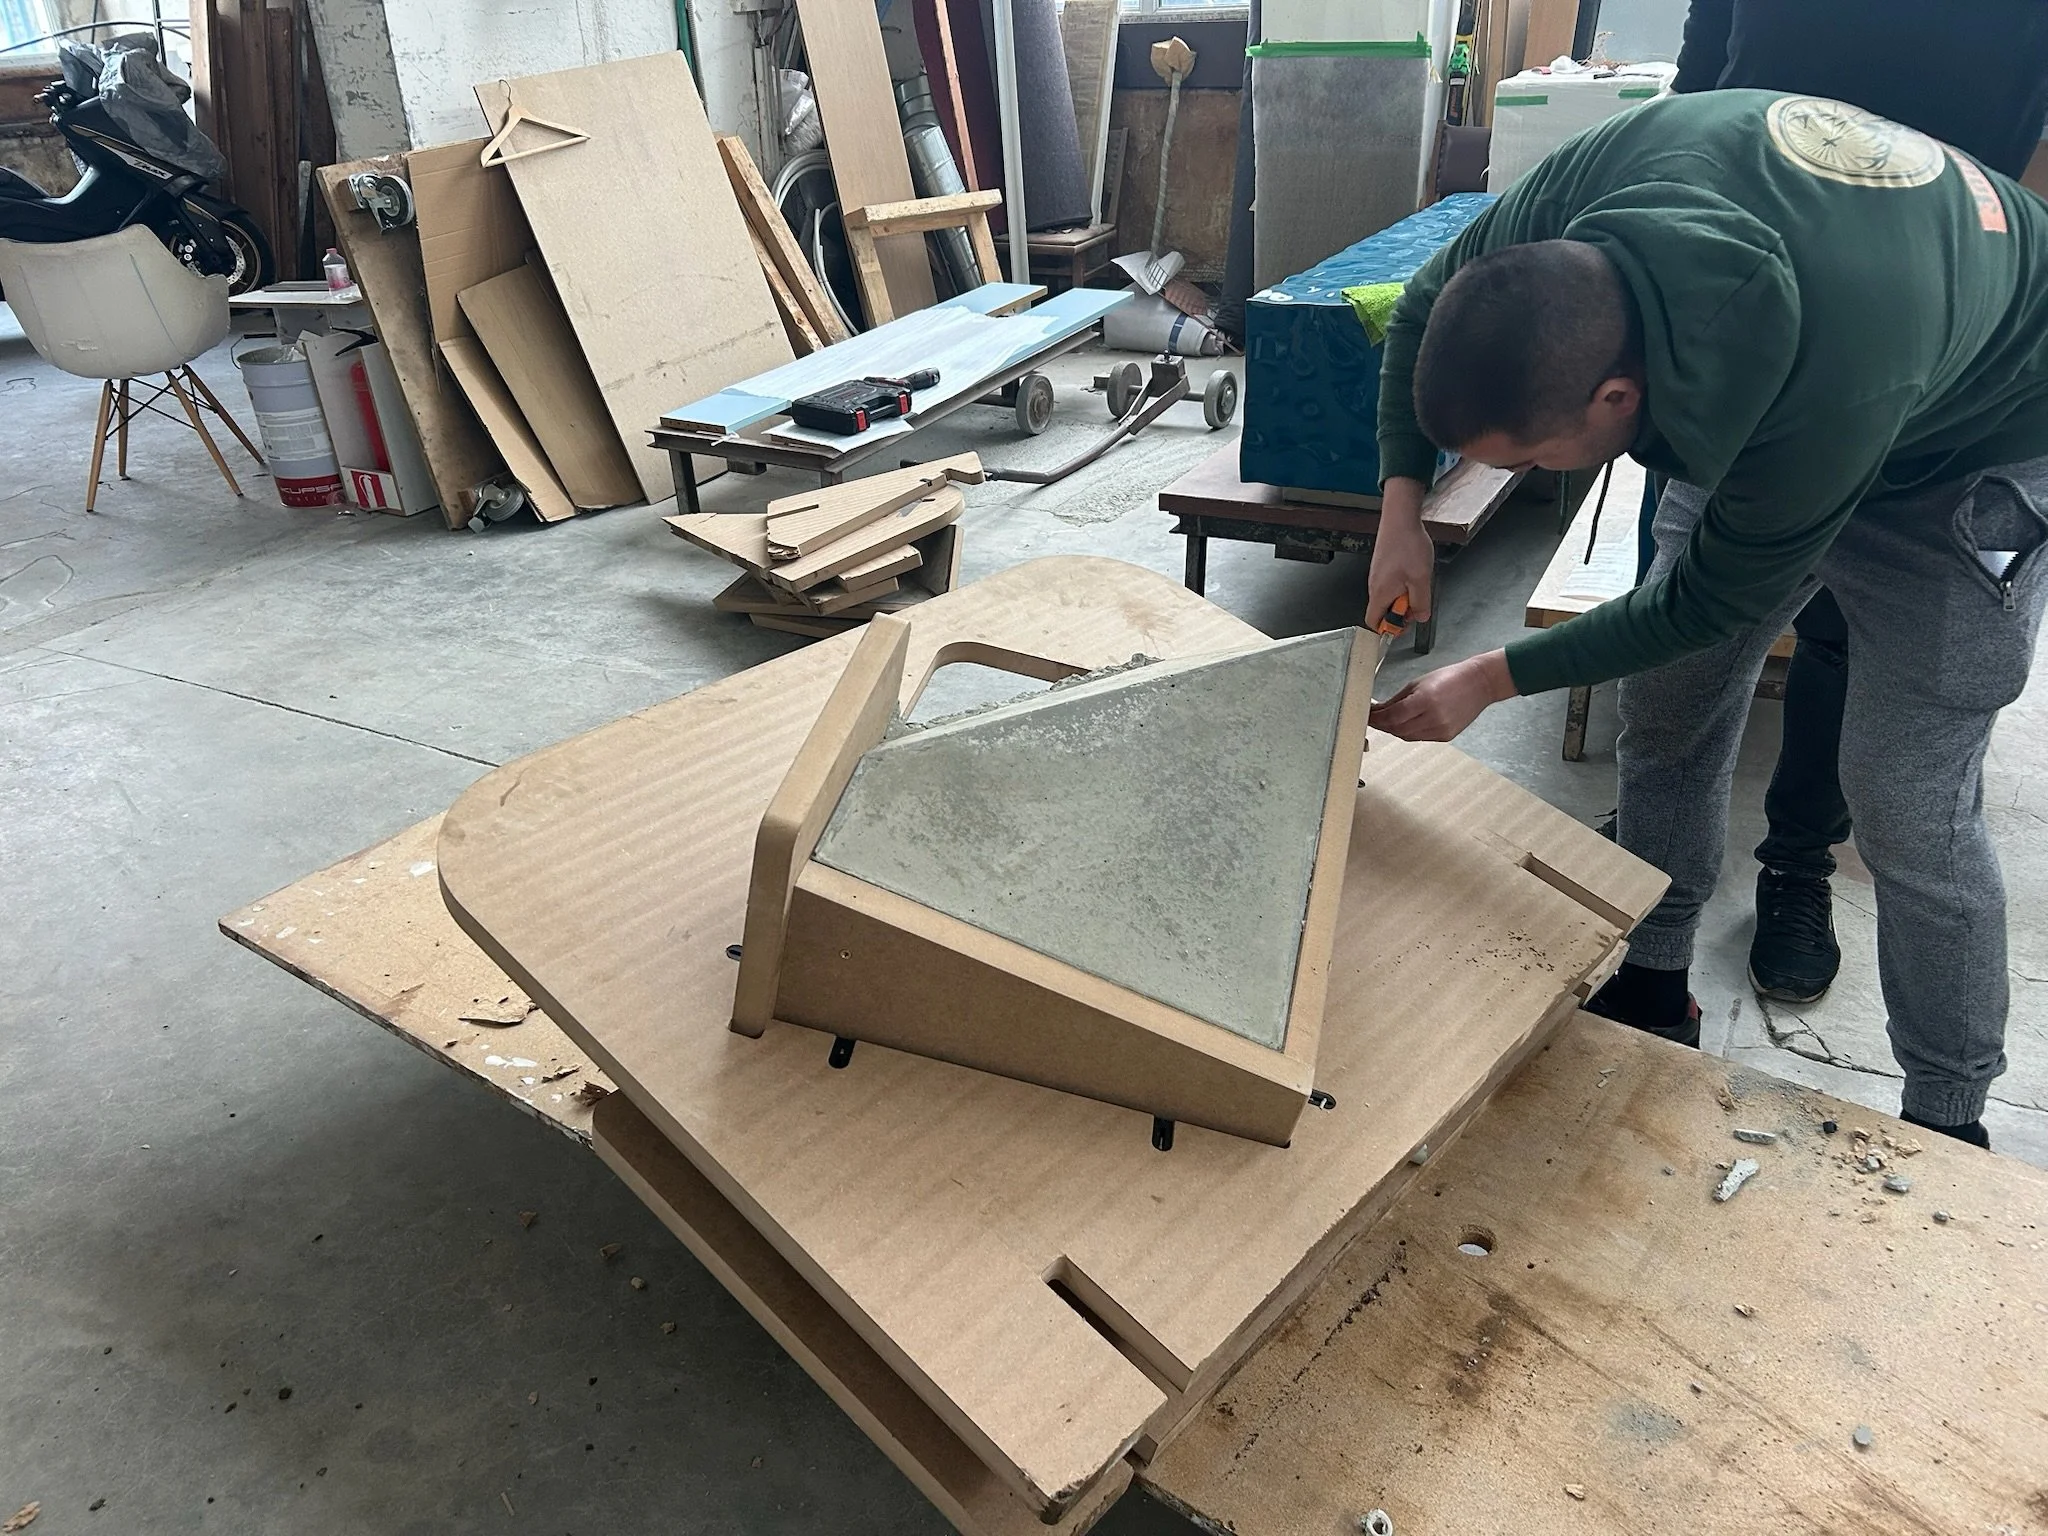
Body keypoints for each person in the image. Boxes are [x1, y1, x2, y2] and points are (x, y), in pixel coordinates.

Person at [1363, 89, 2048, 1148]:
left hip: (1971, 431)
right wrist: (1401, 507)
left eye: (1526, 460)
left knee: (1905, 799)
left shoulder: (1828, 383)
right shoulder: (1582, 192)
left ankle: (1947, 1115)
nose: (1510, 480)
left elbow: (1706, 603)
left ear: (1614, 400)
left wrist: (1488, 676)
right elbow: (1422, 305)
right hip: (1825, 360)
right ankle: (1649, 979)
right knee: (1671, 706)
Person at [1667, 0, 2048, 1008]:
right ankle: (1654, 952)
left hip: (1941, 372)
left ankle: (1798, 864)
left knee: (1905, 787)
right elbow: (1702, 75)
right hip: (1753, 351)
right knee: (1672, 689)